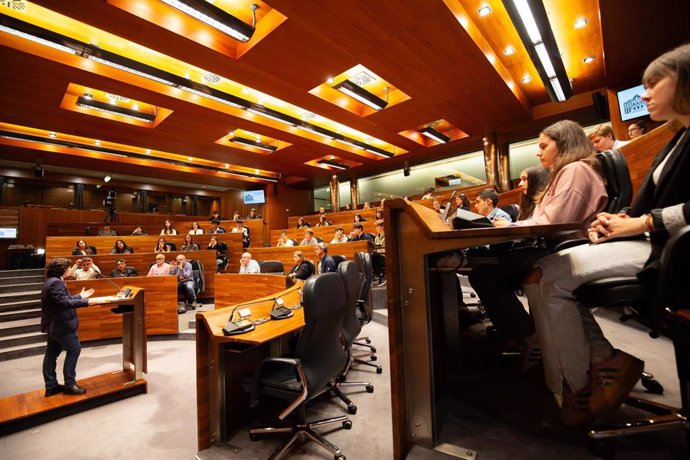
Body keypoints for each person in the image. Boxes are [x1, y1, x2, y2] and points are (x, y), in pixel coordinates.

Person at [524, 44, 690, 426]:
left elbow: (665, 214)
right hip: (656, 241)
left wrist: (643, 223)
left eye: (653, 83)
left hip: (673, 251)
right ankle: (598, 368)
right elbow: (654, 205)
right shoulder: (676, 139)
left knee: (544, 276)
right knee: (544, 273)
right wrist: (618, 219)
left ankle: (576, 388)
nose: (644, 93)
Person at [469, 119, 607, 372]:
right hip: (557, 246)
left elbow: (553, 223)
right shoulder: (569, 171)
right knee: (486, 270)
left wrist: (507, 228)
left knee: (486, 273)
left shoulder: (575, 170)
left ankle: (528, 335)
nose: (538, 151)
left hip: (564, 249)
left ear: (564, 145)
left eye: (544, 145)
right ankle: (528, 334)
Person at [41, 258, 95, 397]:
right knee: (74, 350)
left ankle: (51, 386)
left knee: (51, 354)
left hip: (55, 325)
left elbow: (63, 300)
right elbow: (64, 304)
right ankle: (70, 385)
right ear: (63, 269)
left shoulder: (54, 281)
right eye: (69, 267)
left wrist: (80, 296)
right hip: (61, 325)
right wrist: (87, 302)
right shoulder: (56, 283)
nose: (71, 269)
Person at [373, 219, 386, 286]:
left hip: (385, 256)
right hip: (378, 255)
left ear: (382, 227)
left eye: (377, 226)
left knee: (373, 257)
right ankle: (382, 274)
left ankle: (382, 275)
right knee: (370, 258)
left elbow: (386, 249)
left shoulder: (386, 236)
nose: (376, 228)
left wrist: (377, 251)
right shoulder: (376, 237)